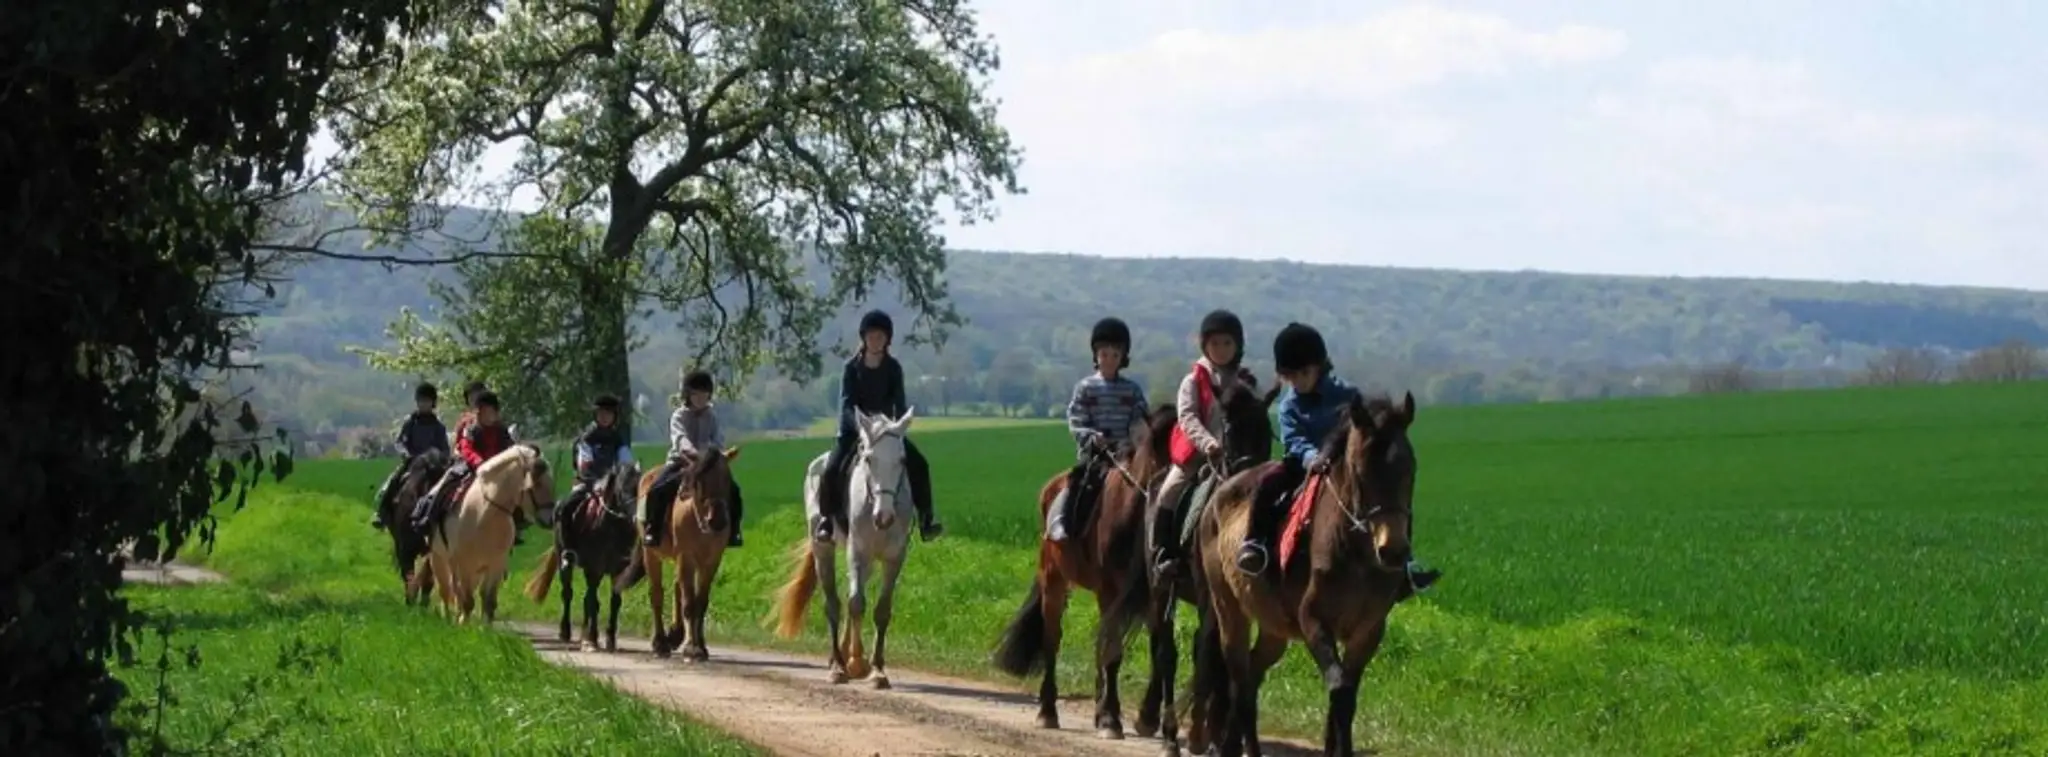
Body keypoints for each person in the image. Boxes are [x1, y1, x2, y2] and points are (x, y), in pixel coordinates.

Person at [1242, 322, 1442, 596]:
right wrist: (1311, 457)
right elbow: (1293, 439)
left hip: (1343, 467)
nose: (1298, 381)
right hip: (1302, 466)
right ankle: (1256, 545)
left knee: (1392, 503)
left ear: (1320, 367)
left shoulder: (1349, 396)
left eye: (1304, 373)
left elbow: (1364, 432)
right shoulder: (1288, 404)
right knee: (1266, 486)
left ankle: (1405, 566)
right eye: (1291, 376)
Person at [815, 309, 942, 543]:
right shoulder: (851, 368)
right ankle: (826, 520)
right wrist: (860, 427)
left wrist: (898, 428)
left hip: (885, 432)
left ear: (887, 340)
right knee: (831, 468)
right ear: (864, 338)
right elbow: (846, 404)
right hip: (855, 430)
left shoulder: (894, 368)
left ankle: (926, 518)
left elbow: (899, 404)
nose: (876, 341)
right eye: (872, 336)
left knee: (920, 463)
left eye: (881, 337)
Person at [1151, 309, 1254, 576]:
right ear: (1205, 345)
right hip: (1200, 454)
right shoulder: (1193, 381)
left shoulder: (1245, 381)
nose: (1220, 349)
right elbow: (1187, 417)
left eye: (1227, 343)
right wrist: (1209, 443)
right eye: (1215, 344)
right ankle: (1163, 552)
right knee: (1169, 490)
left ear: (1238, 345)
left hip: (1239, 455)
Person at [1047, 317, 1148, 543]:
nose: (1109, 360)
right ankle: (1062, 521)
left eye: (1115, 355)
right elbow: (1076, 419)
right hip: (1095, 453)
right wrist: (1090, 437)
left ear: (1122, 358)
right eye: (1104, 355)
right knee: (1079, 482)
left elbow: (1139, 419)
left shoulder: (1132, 390)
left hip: (1125, 453)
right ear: (1096, 356)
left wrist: (1133, 440)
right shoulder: (1086, 387)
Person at [641, 370, 746, 548]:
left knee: (734, 491)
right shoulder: (679, 416)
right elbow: (680, 438)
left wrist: (717, 454)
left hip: (708, 464)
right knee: (657, 489)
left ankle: (734, 530)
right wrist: (692, 453)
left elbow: (718, 438)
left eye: (704, 395)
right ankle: (653, 529)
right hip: (682, 461)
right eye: (696, 394)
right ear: (688, 395)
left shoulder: (712, 416)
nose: (700, 399)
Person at [411, 390, 515, 533]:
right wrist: (478, 462)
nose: (481, 415)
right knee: (445, 482)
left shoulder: (502, 431)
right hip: (471, 466)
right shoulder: (472, 429)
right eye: (480, 411)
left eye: (487, 411)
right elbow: (466, 448)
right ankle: (426, 514)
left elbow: (510, 448)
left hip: (496, 469)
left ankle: (518, 521)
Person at [553, 394, 637, 549]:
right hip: (587, 483)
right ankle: (568, 551)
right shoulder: (586, 438)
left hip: (614, 485)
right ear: (595, 415)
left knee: (633, 506)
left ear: (614, 417)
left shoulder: (617, 439)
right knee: (565, 507)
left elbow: (626, 463)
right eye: (601, 414)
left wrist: (627, 476)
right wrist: (597, 482)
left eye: (609, 414)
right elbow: (584, 466)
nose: (605, 417)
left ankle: (632, 550)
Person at [368, 382, 450, 531]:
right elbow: (400, 441)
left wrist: (439, 458)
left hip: (431, 465)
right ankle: (381, 513)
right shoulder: (410, 422)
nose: (423, 404)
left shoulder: (439, 427)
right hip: (412, 461)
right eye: (421, 401)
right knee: (393, 481)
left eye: (427, 401)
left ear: (433, 403)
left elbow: (444, 449)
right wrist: (406, 454)